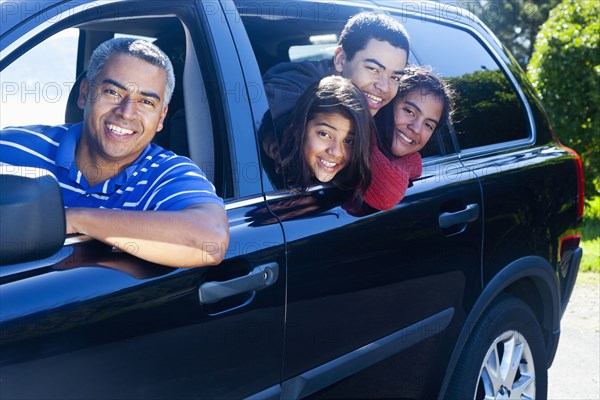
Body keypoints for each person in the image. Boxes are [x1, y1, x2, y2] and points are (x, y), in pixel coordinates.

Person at [0, 38, 229, 268]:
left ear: (161, 118)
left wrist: (72, 219)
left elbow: (211, 241)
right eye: (112, 92)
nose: (126, 113)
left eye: (146, 102)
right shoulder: (13, 149)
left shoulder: (168, 174)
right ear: (84, 94)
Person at [263, 11, 410, 130]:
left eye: (395, 78)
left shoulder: (396, 112)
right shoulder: (289, 97)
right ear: (340, 59)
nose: (384, 87)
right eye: (373, 69)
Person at [364, 66, 456, 210]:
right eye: (410, 111)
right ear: (387, 103)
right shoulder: (349, 137)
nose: (416, 128)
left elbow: (386, 194)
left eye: (428, 125)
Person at [277, 75, 372, 198]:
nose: (336, 152)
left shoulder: (348, 187)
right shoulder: (269, 176)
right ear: (299, 127)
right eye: (325, 134)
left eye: (349, 141)